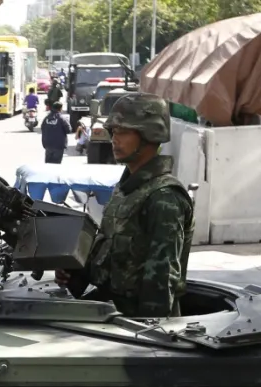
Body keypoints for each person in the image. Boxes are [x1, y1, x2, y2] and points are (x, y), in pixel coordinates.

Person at [72, 93, 194, 318]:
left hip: (139, 326)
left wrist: (146, 333)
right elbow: (109, 254)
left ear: (149, 135)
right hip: (111, 316)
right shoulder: (126, 189)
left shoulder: (164, 196)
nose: (114, 139)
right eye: (113, 132)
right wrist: (75, 274)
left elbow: (161, 282)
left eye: (123, 132)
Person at [40, 100, 69, 165]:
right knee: (56, 165)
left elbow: (42, 128)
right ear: (60, 108)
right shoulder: (62, 118)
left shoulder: (47, 118)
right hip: (59, 145)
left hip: (48, 144)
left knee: (48, 164)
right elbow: (68, 130)